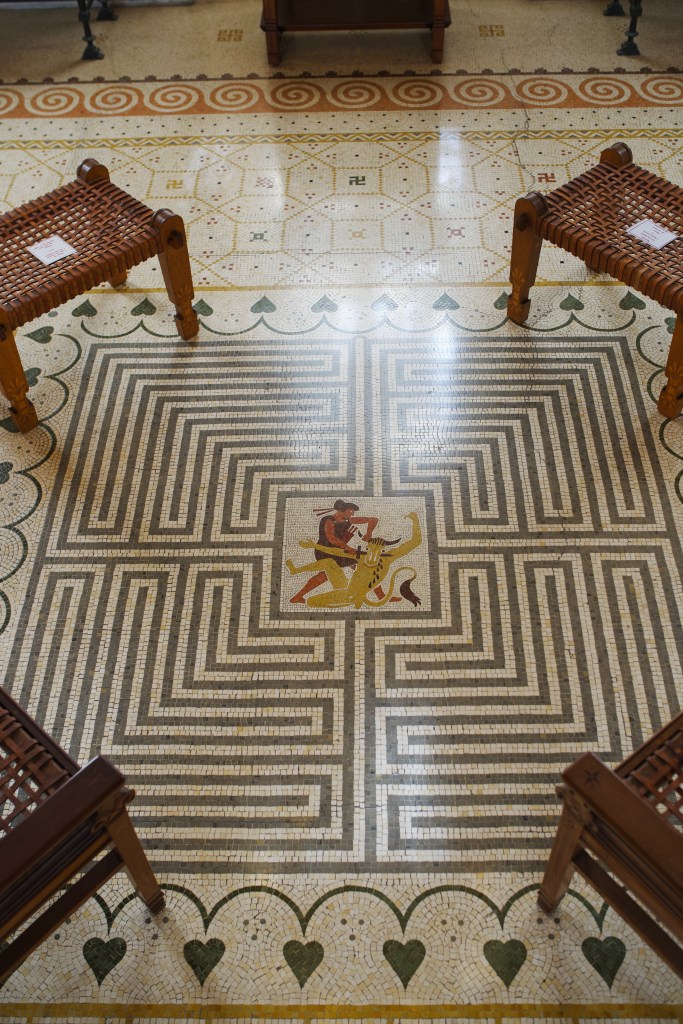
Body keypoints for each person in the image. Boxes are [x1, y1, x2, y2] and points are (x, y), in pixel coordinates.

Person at [289, 500, 378, 604]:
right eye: (351, 511)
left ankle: (297, 597)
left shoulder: (348, 520)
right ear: (342, 510)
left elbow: (373, 519)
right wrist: (348, 548)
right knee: (365, 566)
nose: (353, 514)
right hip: (325, 551)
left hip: (339, 551)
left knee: (323, 576)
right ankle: (379, 595)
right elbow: (331, 538)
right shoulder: (328, 520)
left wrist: (369, 533)